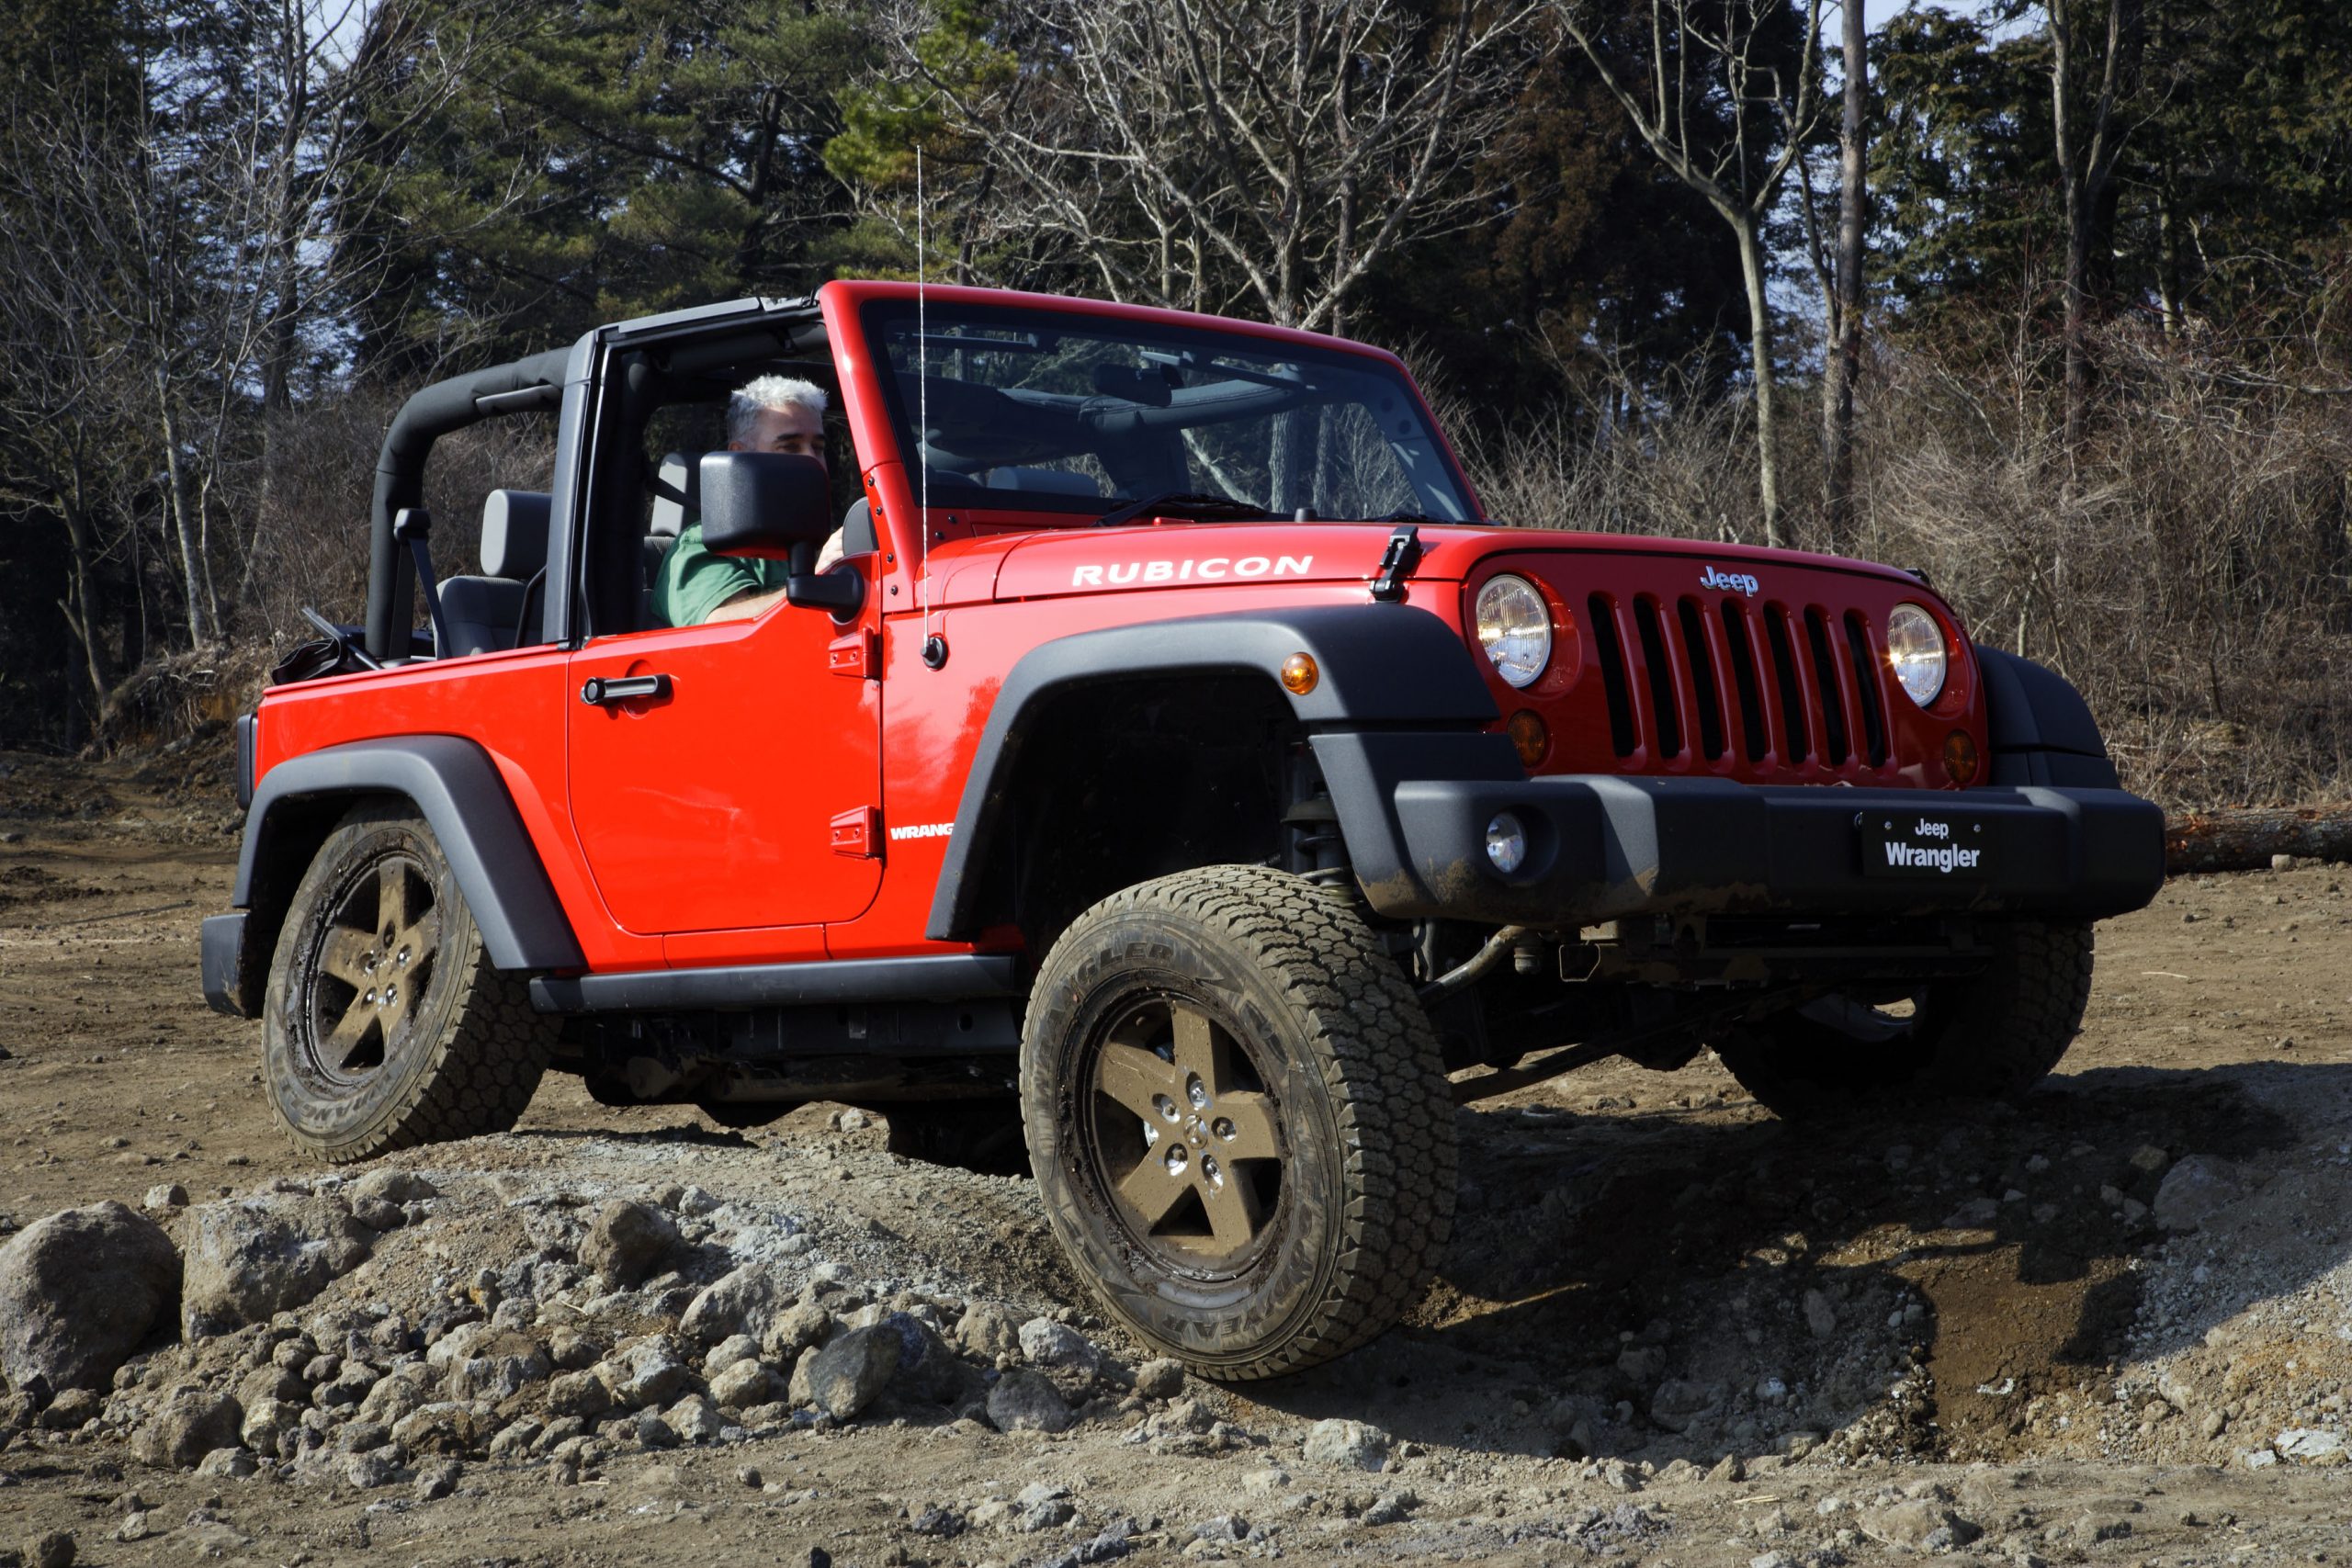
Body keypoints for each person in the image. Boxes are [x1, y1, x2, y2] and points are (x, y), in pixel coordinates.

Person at [650, 375, 842, 626]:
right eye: (790, 447)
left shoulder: (831, 538)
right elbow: (722, 628)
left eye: (817, 447)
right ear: (739, 457)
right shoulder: (702, 545)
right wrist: (819, 582)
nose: (812, 460)